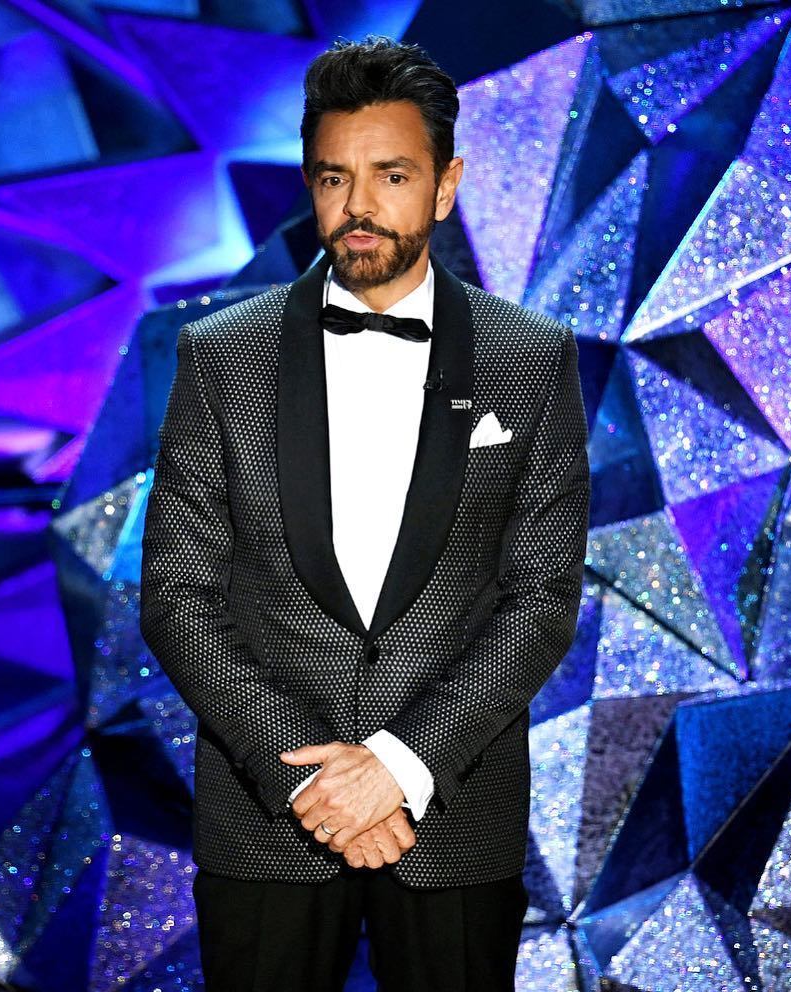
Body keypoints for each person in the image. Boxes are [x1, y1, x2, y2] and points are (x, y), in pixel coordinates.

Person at [139, 34, 590, 992]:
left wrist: (400, 764)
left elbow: (542, 598)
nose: (358, 206)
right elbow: (178, 597)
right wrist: (311, 779)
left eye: (392, 175)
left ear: (446, 185)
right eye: (334, 178)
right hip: (268, 824)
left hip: (452, 824)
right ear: (311, 185)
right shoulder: (221, 355)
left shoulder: (529, 357)